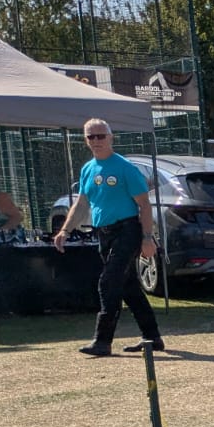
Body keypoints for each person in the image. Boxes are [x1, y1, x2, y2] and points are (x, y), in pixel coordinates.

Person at [51, 118, 164, 357]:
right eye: (91, 137)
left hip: (127, 230)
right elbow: (82, 203)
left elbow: (144, 205)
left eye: (101, 136)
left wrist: (147, 237)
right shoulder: (87, 169)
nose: (96, 141)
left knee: (108, 282)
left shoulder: (125, 168)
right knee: (128, 287)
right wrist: (64, 230)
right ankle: (152, 337)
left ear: (111, 137)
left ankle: (102, 341)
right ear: (85, 140)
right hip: (104, 232)